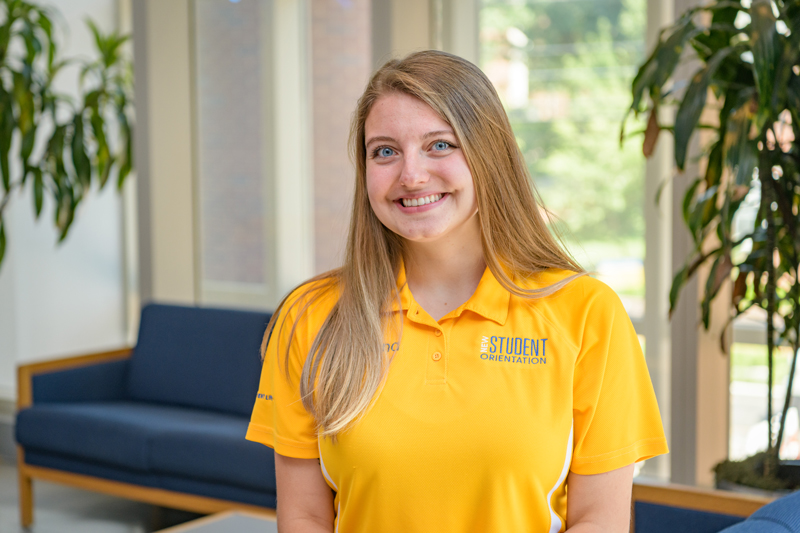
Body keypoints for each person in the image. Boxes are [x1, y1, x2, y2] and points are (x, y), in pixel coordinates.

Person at [246, 50, 668, 533]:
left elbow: (600, 522)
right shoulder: (312, 315)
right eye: (385, 151)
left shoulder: (587, 312)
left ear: (488, 153)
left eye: (440, 145)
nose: (411, 175)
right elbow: (303, 517)